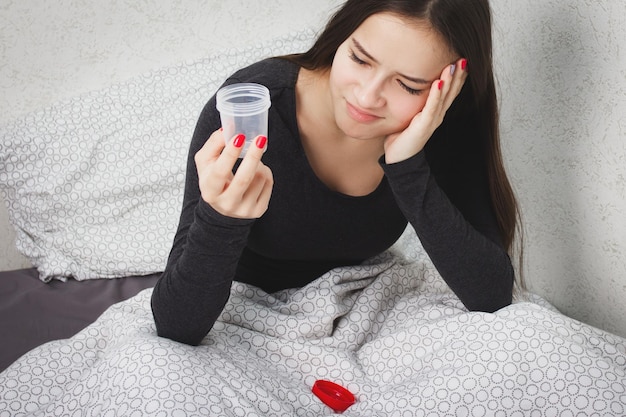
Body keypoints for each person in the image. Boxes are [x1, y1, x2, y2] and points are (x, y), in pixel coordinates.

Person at [151, 0, 521, 345]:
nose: (367, 96)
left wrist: (407, 166)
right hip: (239, 308)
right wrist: (220, 217)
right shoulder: (253, 109)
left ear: (449, 89)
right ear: (340, 37)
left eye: (407, 85)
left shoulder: (434, 126)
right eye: (360, 60)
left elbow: (490, 295)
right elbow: (176, 326)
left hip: (360, 311)